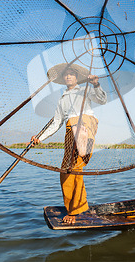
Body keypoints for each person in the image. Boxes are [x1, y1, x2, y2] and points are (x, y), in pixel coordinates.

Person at [31, 64, 107, 224]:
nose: (68, 77)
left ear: (77, 77)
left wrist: (95, 84)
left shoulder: (84, 90)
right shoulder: (62, 99)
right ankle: (75, 207)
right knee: (66, 170)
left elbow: (102, 99)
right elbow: (56, 123)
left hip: (86, 124)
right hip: (70, 131)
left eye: (72, 74)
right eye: (66, 75)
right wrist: (40, 138)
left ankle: (74, 211)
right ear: (63, 79)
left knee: (75, 124)